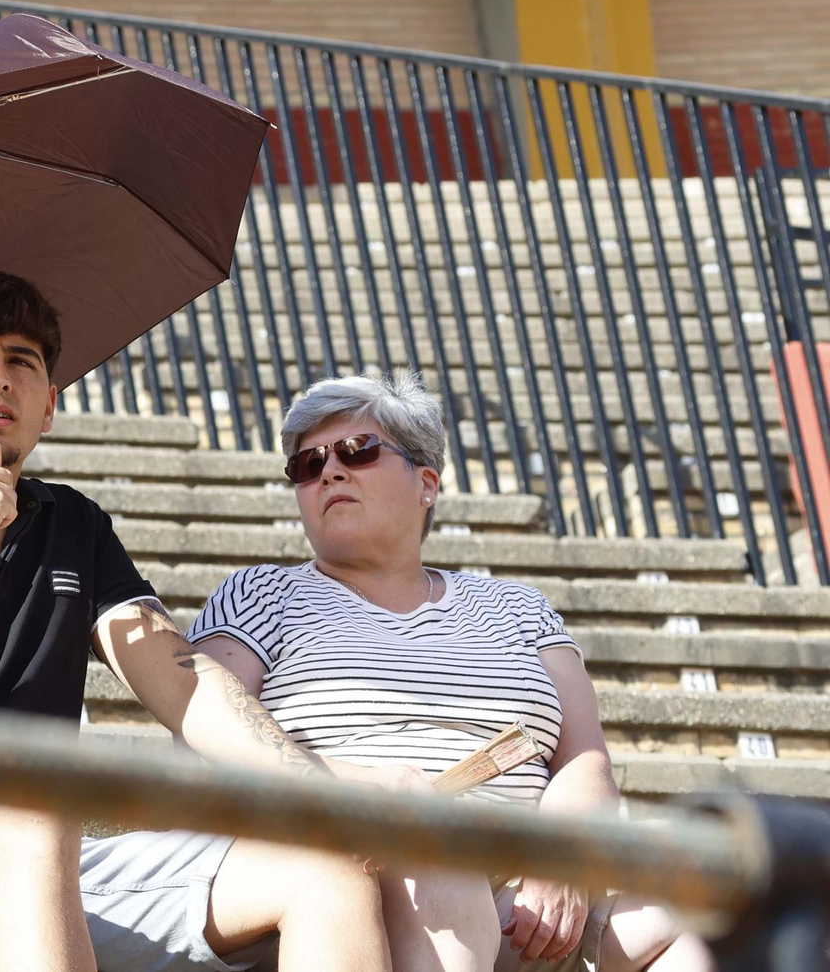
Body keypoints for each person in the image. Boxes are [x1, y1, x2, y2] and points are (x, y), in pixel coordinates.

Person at [0, 271, 438, 972]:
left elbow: (183, 681)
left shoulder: (73, 525)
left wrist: (314, 789)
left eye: (21, 362)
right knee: (31, 808)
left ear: (50, 405)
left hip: (38, 860)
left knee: (327, 874)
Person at [188, 371, 715, 972]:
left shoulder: (519, 608)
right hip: (365, 861)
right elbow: (208, 736)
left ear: (427, 482)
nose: (329, 472)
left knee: (720, 906)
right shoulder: (262, 594)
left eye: (356, 451)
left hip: (528, 881)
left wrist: (561, 856)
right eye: (307, 465)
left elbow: (583, 756)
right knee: (435, 844)